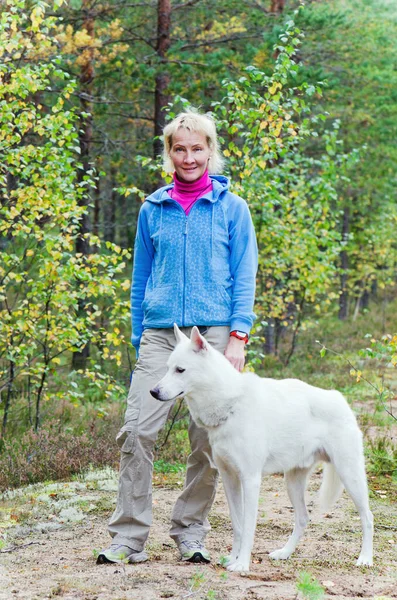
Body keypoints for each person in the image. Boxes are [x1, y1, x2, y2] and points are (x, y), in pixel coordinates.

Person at [97, 109, 258, 565]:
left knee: (207, 439)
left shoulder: (232, 209)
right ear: (169, 153)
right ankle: (128, 536)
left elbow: (244, 274)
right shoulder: (153, 209)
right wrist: (139, 336)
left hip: (213, 336)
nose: (189, 157)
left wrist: (237, 337)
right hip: (161, 335)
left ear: (210, 151)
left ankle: (190, 532)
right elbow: (140, 277)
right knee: (137, 431)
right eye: (180, 149)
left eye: (197, 148)